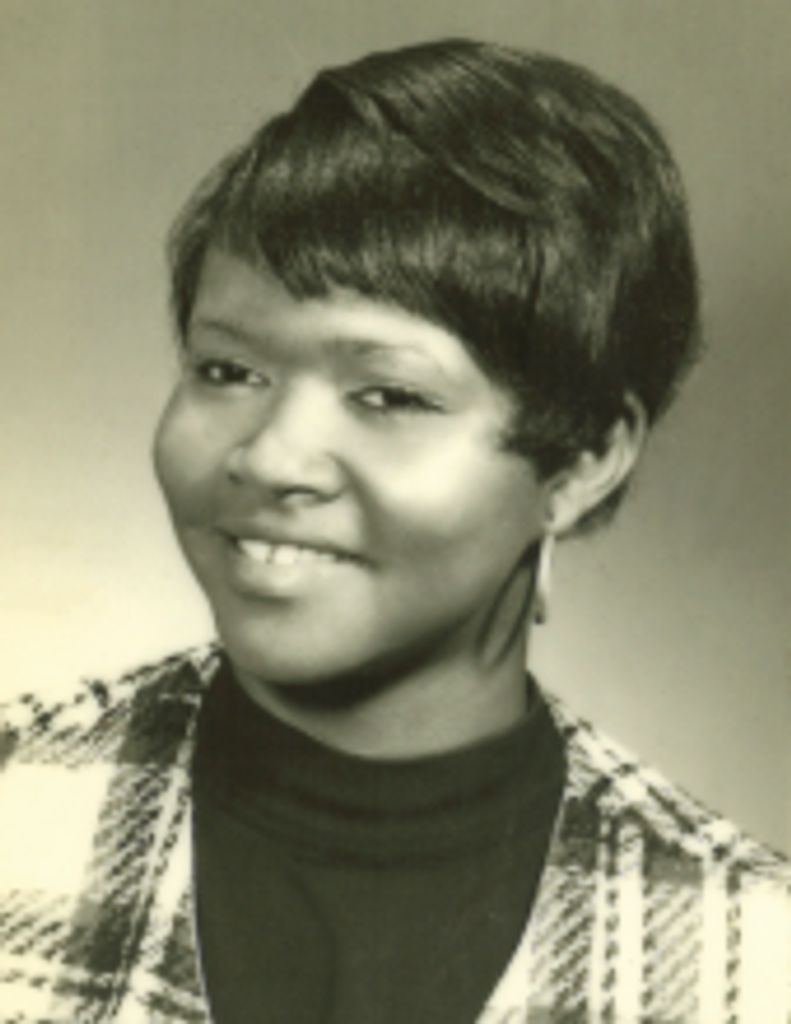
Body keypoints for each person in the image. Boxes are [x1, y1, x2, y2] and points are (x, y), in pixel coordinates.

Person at [0, 38, 788, 1024]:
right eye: (228, 371)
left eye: (388, 395)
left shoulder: (750, 960)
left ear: (583, 459)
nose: (272, 457)